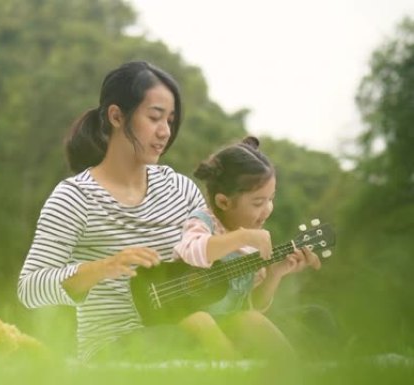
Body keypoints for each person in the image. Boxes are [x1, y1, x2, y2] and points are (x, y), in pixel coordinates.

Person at [17, 61, 211, 362]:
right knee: (189, 336)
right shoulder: (75, 197)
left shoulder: (182, 190)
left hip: (190, 330)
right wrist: (103, 267)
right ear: (117, 116)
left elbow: (212, 280)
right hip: (112, 350)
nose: (165, 132)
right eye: (155, 118)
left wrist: (267, 272)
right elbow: (29, 288)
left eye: (170, 121)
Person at [172, 136, 323, 360]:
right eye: (257, 203)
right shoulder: (203, 222)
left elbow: (253, 305)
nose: (267, 209)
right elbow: (194, 250)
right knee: (202, 321)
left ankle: (294, 374)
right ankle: (235, 374)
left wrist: (274, 273)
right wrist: (241, 236)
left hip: (229, 323)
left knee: (252, 319)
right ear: (224, 202)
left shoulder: (251, 247)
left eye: (270, 199)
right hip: (185, 316)